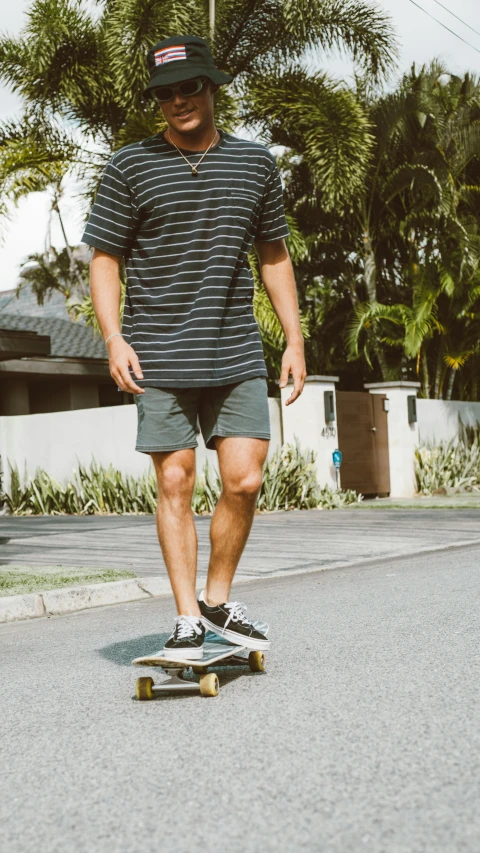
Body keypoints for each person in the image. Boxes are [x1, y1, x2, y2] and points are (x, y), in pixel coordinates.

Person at [82, 34, 306, 660]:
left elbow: (274, 255)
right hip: (157, 353)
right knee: (175, 480)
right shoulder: (130, 166)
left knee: (245, 479)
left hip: (233, 350)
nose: (178, 100)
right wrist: (112, 336)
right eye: (165, 92)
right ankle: (186, 618)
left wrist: (294, 339)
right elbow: (105, 260)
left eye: (189, 87)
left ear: (211, 88)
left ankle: (216, 597)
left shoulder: (255, 164)